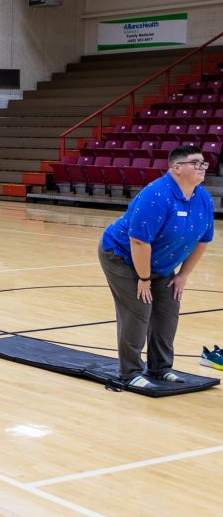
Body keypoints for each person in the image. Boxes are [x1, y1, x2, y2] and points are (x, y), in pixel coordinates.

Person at [99, 145, 215, 388]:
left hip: (160, 263)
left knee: (168, 312)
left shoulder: (203, 198)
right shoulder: (156, 195)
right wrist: (144, 278)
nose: (202, 167)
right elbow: (139, 241)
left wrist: (183, 275)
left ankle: (160, 368)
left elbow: (203, 241)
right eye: (196, 163)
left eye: (204, 163)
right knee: (139, 310)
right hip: (123, 256)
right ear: (176, 167)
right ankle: (130, 372)